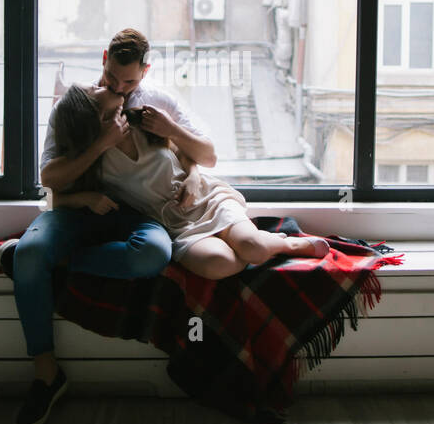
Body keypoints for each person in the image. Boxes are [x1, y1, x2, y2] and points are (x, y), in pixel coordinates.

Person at [0, 29, 215, 424]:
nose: (118, 89)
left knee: (153, 252)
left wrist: (195, 176)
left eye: (129, 83)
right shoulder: (76, 104)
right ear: (103, 59)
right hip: (74, 210)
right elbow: (50, 176)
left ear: (144, 73)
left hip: (130, 213)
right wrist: (99, 145)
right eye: (112, 79)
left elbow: (196, 152)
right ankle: (47, 376)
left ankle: (41, 262)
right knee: (31, 254)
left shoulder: (153, 104)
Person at [61, 84, 330, 279]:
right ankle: (249, 247)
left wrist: (192, 175)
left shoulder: (141, 125)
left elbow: (185, 154)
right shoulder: (93, 165)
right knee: (219, 264)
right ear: (96, 119)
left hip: (205, 199)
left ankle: (285, 243)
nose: (102, 85)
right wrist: (84, 197)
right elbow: (51, 195)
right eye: (94, 92)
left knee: (255, 248)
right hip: (174, 224)